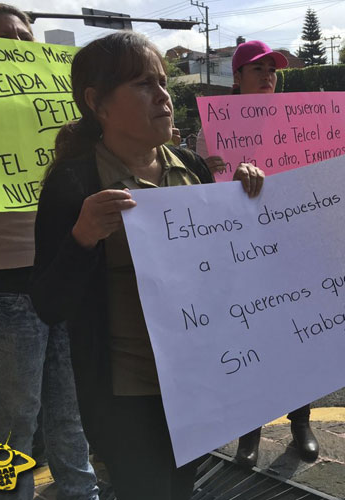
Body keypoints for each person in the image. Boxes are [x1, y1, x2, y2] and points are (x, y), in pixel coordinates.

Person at [30, 31, 264, 500]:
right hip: (126, 395)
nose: (163, 96)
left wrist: (246, 200)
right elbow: (50, 303)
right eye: (142, 84)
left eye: (162, 82)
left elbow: (229, 271)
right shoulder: (73, 184)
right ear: (97, 102)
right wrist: (83, 237)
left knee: (181, 486)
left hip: (199, 378)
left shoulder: (192, 167)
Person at [0, 5, 99, 499]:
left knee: (70, 408)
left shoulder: (60, 116)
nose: (19, 46)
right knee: (12, 421)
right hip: (0, 292)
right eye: (4, 38)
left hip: (63, 279)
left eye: (26, 36)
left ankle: (80, 492)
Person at [220, 40, 320, 469]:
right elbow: (203, 198)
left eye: (272, 69)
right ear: (237, 77)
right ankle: (251, 432)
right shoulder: (217, 128)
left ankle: (301, 423)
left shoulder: (302, 120)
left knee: (301, 338)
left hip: (295, 248)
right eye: (257, 68)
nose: (267, 75)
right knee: (253, 343)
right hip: (242, 255)